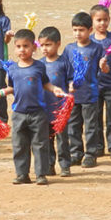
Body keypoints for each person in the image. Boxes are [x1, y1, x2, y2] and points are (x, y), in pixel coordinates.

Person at [0, 29, 66, 186]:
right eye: (18, 46)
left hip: (38, 113)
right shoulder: (12, 69)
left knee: (40, 144)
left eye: (26, 46)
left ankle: (41, 174)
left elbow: (45, 83)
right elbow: (12, 87)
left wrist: (54, 89)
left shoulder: (39, 67)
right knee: (19, 145)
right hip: (19, 113)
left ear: (33, 48)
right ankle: (22, 174)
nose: (22, 50)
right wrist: (1, 92)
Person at [64, 11, 107, 168]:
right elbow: (65, 70)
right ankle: (76, 152)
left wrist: (104, 66)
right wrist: (68, 85)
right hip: (73, 95)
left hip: (90, 94)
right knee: (73, 125)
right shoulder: (69, 49)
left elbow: (105, 70)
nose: (78, 33)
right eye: (75, 30)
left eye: (81, 30)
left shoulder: (97, 48)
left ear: (90, 30)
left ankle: (90, 154)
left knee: (91, 126)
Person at [38, 26, 72, 177]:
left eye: (48, 44)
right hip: (44, 109)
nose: (44, 48)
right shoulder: (38, 64)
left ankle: (65, 165)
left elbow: (71, 79)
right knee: (46, 139)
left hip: (60, 109)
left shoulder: (64, 62)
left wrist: (71, 87)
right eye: (42, 45)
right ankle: (49, 165)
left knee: (63, 139)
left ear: (58, 44)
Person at [90, 3, 111, 158]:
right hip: (94, 86)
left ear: (109, 20)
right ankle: (98, 146)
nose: (102, 23)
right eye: (98, 20)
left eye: (105, 20)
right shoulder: (88, 41)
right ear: (92, 22)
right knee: (95, 118)